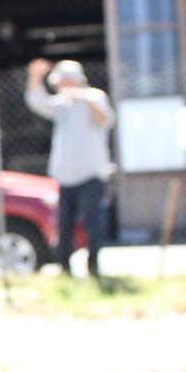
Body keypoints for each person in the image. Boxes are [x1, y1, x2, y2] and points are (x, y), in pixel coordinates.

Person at [24, 58, 116, 278]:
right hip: (65, 177)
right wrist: (35, 76)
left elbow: (106, 120)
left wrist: (82, 97)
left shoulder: (94, 96)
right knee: (64, 225)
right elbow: (37, 101)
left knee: (93, 225)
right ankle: (64, 267)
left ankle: (94, 267)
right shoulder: (61, 105)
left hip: (91, 174)